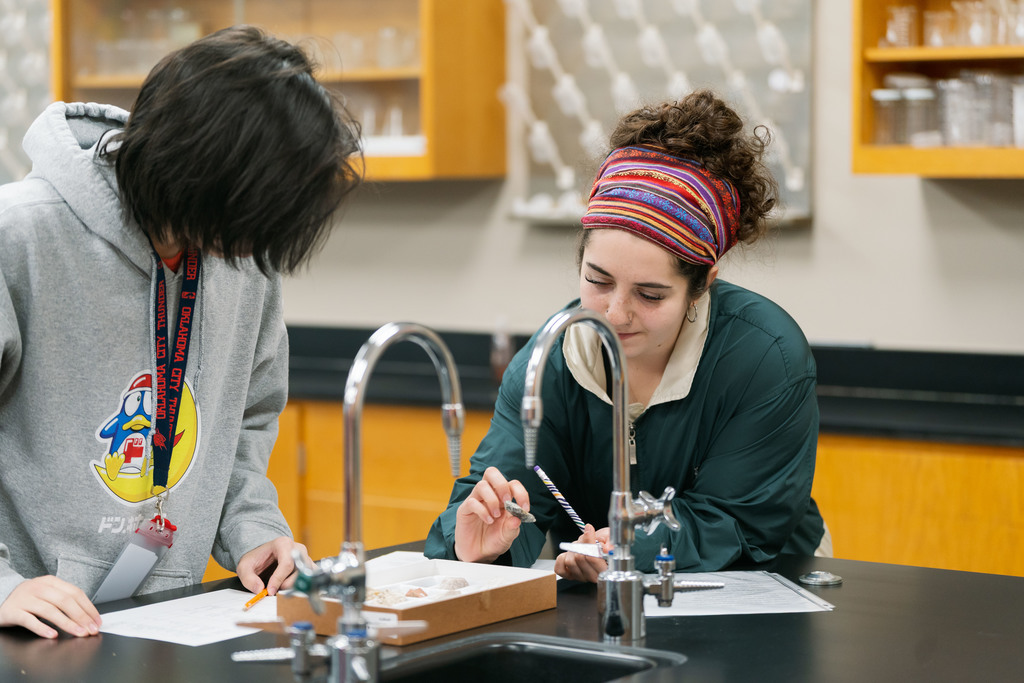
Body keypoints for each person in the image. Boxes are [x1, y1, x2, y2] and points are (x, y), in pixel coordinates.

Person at [0, 25, 362, 638]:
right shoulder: (19, 238)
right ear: (200, 175)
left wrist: (254, 530)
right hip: (31, 631)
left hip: (169, 622)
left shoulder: (242, 257)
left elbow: (246, 418)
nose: (252, 249)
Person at [425, 89, 829, 581]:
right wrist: (478, 544)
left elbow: (741, 523)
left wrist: (630, 546)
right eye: (598, 281)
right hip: (607, 596)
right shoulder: (551, 362)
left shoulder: (765, 357)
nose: (615, 314)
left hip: (771, 592)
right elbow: (512, 496)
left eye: (651, 295)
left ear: (703, 284)